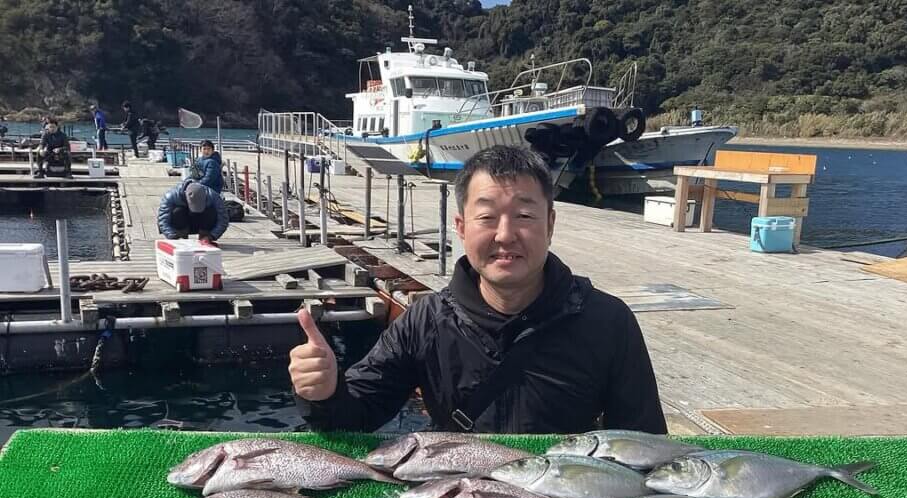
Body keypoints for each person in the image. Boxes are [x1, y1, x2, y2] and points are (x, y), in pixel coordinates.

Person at [289, 145, 667, 434]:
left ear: (550, 224)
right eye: (487, 217)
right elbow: (354, 416)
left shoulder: (607, 322)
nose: (505, 235)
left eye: (524, 215)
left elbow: (643, 441)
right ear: (461, 227)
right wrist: (323, 392)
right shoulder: (426, 321)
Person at [157, 179, 229, 243]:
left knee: (211, 211)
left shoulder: (214, 197)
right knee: (177, 211)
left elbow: (223, 220)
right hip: (182, 222)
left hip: (202, 222)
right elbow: (163, 220)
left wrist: (212, 236)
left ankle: (204, 236)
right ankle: (180, 237)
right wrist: (171, 235)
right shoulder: (171, 196)